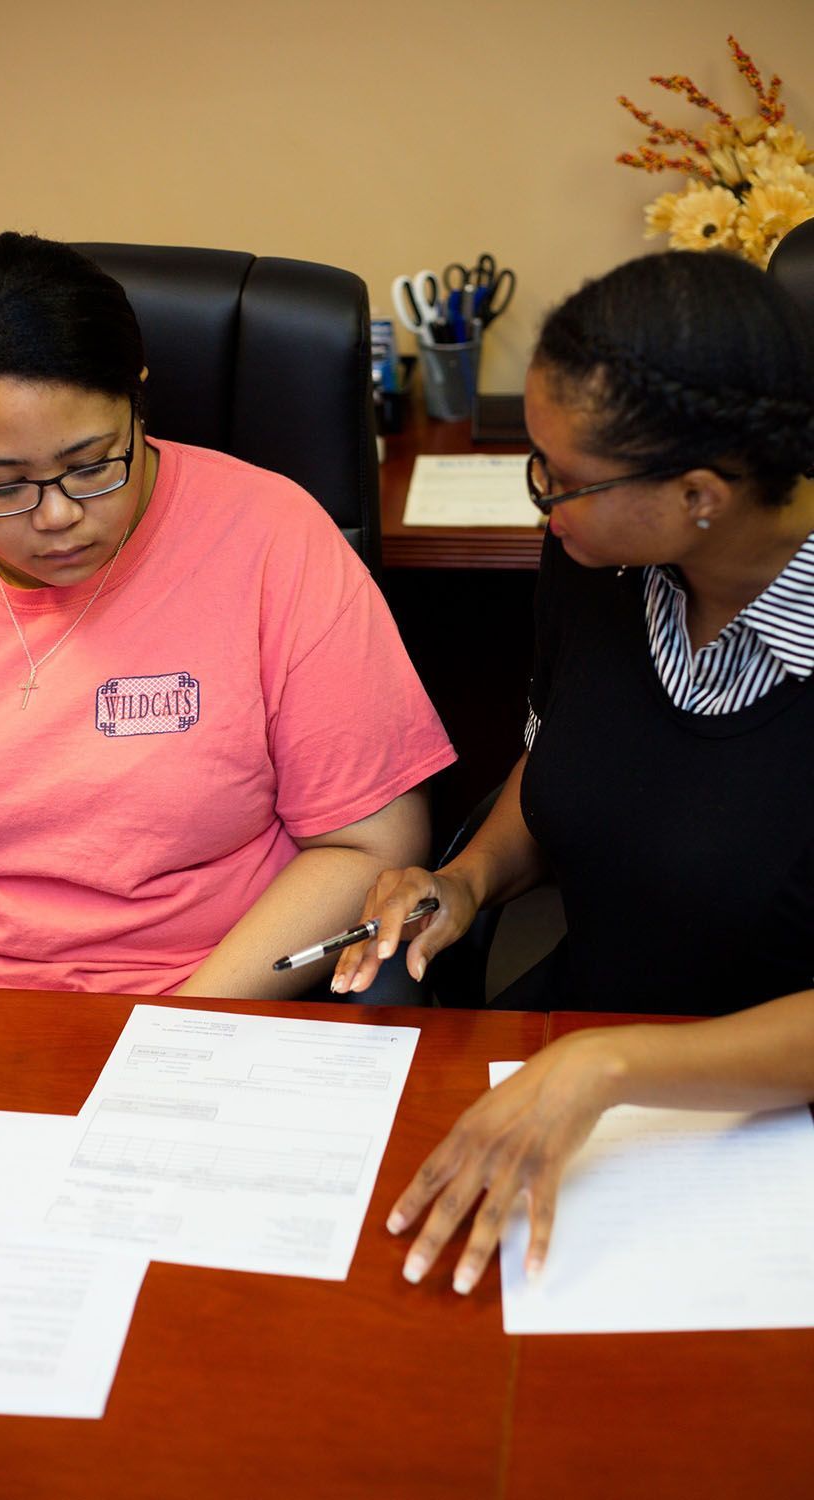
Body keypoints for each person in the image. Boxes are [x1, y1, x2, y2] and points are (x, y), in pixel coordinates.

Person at [330, 249, 814, 1293]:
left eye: (562, 477)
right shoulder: (594, 562)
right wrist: (465, 880)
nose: (539, 500)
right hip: (572, 1053)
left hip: (769, 1130)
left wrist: (607, 1068)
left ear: (699, 494)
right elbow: (564, 768)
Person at [0, 231, 455, 996]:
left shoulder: (274, 539)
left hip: (211, 1001)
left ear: (137, 397)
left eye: (91, 466)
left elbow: (369, 842)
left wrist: (179, 1031)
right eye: (1, 483)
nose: (56, 516)